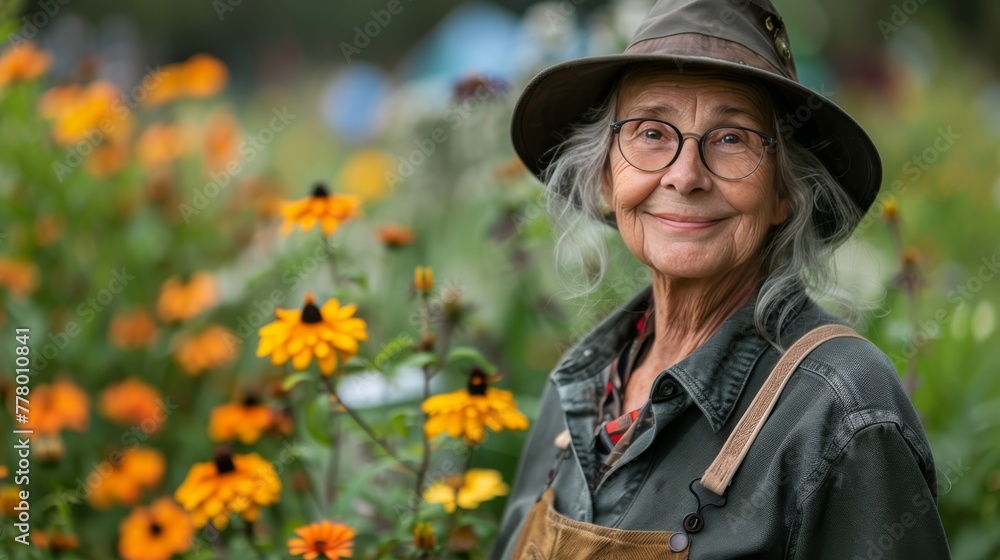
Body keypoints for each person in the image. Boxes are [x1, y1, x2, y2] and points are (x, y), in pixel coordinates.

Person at [492, 0, 952, 558]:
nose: (685, 177)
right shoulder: (581, 385)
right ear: (607, 179)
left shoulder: (843, 409)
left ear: (785, 190)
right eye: (651, 133)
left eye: (732, 138)